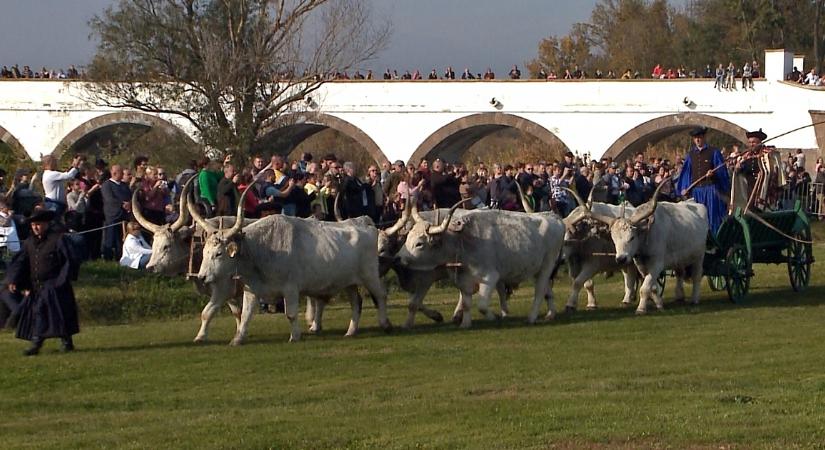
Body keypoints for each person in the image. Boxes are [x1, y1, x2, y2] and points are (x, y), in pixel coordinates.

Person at [4, 209, 81, 356]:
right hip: (37, 286)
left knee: (60, 314)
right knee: (38, 312)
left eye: (38, 224)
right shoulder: (29, 243)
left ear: (46, 224)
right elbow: (20, 262)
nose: (35, 227)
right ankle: (37, 342)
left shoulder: (58, 239)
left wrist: (61, 280)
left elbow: (70, 260)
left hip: (56, 285)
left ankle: (65, 341)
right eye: (33, 225)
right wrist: (13, 279)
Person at [675, 126, 730, 234]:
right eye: (695, 138)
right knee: (696, 219)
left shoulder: (714, 152)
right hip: (696, 192)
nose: (698, 140)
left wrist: (713, 175)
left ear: (704, 137)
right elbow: (686, 173)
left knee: (712, 217)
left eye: (699, 137)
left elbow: (722, 173)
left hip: (711, 191)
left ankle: (715, 240)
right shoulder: (690, 155)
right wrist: (684, 188)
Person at [100, 165, 132, 261]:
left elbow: (129, 196)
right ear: (114, 173)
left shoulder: (124, 185)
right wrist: (122, 204)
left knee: (121, 239)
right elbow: (109, 199)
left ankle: (121, 257)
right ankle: (108, 258)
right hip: (112, 216)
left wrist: (129, 203)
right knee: (110, 238)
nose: (122, 174)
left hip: (124, 216)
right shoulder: (106, 185)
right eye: (121, 172)